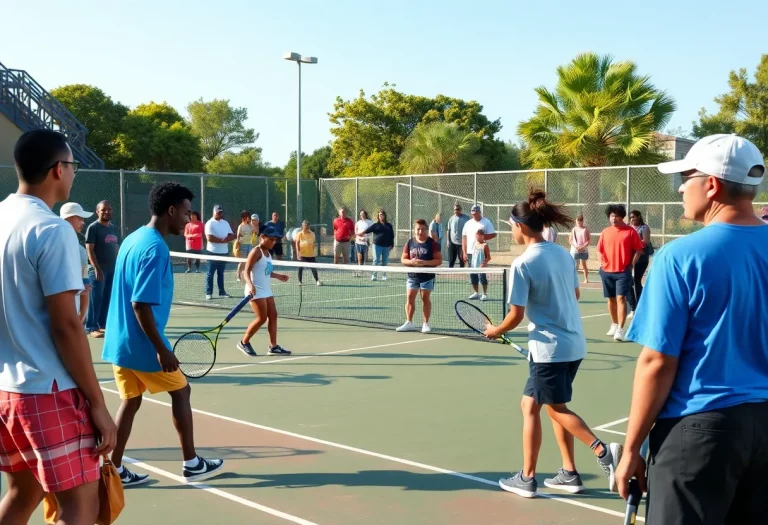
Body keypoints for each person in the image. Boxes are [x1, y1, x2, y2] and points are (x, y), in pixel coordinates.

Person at [616, 134, 768, 524]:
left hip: (700, 431)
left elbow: (656, 362)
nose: (682, 187)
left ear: (712, 185)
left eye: (687, 176)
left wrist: (632, 449)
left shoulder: (679, 257)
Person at [0, 129, 116, 524]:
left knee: (21, 494)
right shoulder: (52, 230)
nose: (73, 174)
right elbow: (67, 326)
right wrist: (98, 405)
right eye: (72, 165)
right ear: (56, 170)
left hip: (5, 390)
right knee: (79, 508)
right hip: (48, 391)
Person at [483, 189, 620, 499]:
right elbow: (575, 295)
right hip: (574, 345)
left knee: (555, 409)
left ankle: (601, 452)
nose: (510, 231)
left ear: (519, 226)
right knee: (534, 404)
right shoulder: (561, 253)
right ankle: (569, 473)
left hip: (550, 350)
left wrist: (494, 331)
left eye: (510, 226)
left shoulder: (523, 264)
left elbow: (515, 315)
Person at [102, 181, 225, 487]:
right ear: (171, 210)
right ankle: (192, 463)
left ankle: (113, 468)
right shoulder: (155, 249)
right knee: (181, 391)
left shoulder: (133, 238)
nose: (188, 220)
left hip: (120, 342)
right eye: (186, 213)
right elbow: (140, 304)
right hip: (143, 345)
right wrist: (162, 349)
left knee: (130, 401)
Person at [237, 224, 292, 357]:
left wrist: (278, 276)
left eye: (275, 240)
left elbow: (266, 271)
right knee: (262, 318)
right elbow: (246, 271)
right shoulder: (256, 252)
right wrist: (250, 285)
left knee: (273, 315)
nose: (274, 242)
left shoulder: (268, 254)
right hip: (255, 290)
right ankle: (244, 342)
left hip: (266, 290)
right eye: (271, 239)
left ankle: (273, 346)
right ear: (262, 237)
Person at [595, 204, 644, 342]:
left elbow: (639, 249)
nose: (613, 218)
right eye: (611, 215)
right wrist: (601, 263)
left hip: (623, 272)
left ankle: (621, 330)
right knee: (610, 299)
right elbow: (599, 250)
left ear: (622, 217)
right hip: (606, 271)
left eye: (616, 216)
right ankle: (614, 324)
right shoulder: (605, 232)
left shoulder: (630, 231)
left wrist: (631, 264)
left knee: (621, 298)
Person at [396, 219, 442, 333]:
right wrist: (411, 262)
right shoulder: (410, 242)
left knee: (425, 298)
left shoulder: (432, 243)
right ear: (414, 230)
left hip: (427, 276)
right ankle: (409, 322)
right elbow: (403, 259)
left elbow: (438, 260)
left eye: (422, 229)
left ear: (427, 230)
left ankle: (425, 324)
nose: (420, 232)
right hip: (412, 276)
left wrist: (424, 263)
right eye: (418, 229)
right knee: (410, 298)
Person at [85, 199, 120, 338]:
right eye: (103, 210)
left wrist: (119, 265)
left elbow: (116, 247)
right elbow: (89, 249)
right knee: (96, 298)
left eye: (109, 209)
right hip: (98, 270)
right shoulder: (93, 228)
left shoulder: (113, 227)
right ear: (97, 211)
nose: (107, 212)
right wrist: (97, 268)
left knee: (107, 297)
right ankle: (91, 327)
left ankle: (103, 325)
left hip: (112, 269)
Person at [60, 202, 95, 324]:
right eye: (79, 218)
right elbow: (85, 289)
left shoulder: (79, 250)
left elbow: (86, 287)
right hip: (64, 312)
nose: (83, 222)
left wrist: (80, 319)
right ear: (68, 219)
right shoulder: (78, 250)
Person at [462, 204, 496, 300]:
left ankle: (484, 293)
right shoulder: (467, 223)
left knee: (482, 273)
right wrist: (464, 252)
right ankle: (476, 292)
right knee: (472, 274)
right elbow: (464, 237)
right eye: (473, 213)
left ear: (479, 212)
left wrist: (483, 237)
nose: (474, 215)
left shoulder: (486, 222)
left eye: (476, 213)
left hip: (480, 252)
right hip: (470, 252)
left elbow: (493, 234)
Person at [204, 204, 235, 300]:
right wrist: (222, 240)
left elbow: (231, 235)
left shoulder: (225, 223)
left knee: (221, 273)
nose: (220, 214)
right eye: (218, 212)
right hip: (212, 253)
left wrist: (226, 239)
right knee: (210, 273)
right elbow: (209, 237)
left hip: (223, 253)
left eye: (221, 212)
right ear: (214, 212)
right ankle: (208, 293)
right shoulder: (210, 223)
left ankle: (222, 292)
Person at [628, 210, 652, 307]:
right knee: (628, 281)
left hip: (641, 257)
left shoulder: (644, 228)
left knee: (637, 280)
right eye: (630, 217)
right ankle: (633, 305)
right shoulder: (629, 228)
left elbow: (646, 241)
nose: (632, 219)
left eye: (634, 217)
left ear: (639, 216)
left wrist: (634, 243)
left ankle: (640, 304)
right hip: (630, 257)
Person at [363, 209, 395, 281]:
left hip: (386, 246)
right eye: (380, 215)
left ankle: (384, 275)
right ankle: (374, 275)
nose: (381, 216)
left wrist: (392, 244)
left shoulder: (389, 226)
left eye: (382, 215)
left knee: (385, 261)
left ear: (384, 216)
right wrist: (360, 233)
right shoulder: (375, 225)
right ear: (378, 216)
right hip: (377, 245)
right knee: (376, 260)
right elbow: (367, 230)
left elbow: (392, 236)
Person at [294, 220, 321, 286]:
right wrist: (298, 253)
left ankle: (317, 280)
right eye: (305, 225)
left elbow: (313, 243)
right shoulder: (299, 234)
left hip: (311, 255)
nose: (306, 226)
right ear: (302, 226)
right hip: (302, 255)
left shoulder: (312, 234)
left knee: (313, 268)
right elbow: (297, 243)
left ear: (309, 226)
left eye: (307, 225)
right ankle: (300, 281)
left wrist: (312, 251)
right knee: (300, 268)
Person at [447, 203, 470, 267]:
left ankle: (461, 271)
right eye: (455, 210)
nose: (456, 211)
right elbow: (449, 230)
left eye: (458, 209)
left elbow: (469, 229)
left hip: (461, 243)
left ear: (460, 210)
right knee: (451, 258)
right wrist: (448, 241)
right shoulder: (451, 219)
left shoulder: (466, 218)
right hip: (452, 242)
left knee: (462, 258)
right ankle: (450, 271)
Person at [569, 214, 591, 283]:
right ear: (575, 221)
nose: (579, 222)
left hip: (583, 250)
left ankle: (586, 279)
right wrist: (576, 247)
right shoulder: (574, 229)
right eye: (578, 221)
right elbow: (570, 240)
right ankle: (573, 279)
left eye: (581, 221)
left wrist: (582, 247)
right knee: (574, 265)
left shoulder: (585, 229)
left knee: (584, 264)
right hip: (575, 250)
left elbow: (588, 240)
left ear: (582, 221)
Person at [235, 210, 253, 281]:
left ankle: (248, 276)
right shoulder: (240, 226)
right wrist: (238, 246)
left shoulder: (250, 225)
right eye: (248, 217)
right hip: (243, 245)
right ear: (244, 217)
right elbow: (238, 236)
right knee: (242, 261)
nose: (249, 218)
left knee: (250, 261)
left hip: (250, 245)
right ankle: (238, 275)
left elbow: (254, 232)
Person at [354, 209, 373, 274]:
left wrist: (366, 238)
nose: (361, 215)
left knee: (364, 256)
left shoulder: (370, 222)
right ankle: (360, 269)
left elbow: (371, 231)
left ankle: (364, 268)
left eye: (363, 214)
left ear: (365, 214)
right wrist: (359, 238)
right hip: (358, 242)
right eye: (360, 214)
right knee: (359, 256)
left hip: (365, 242)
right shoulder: (358, 223)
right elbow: (356, 232)